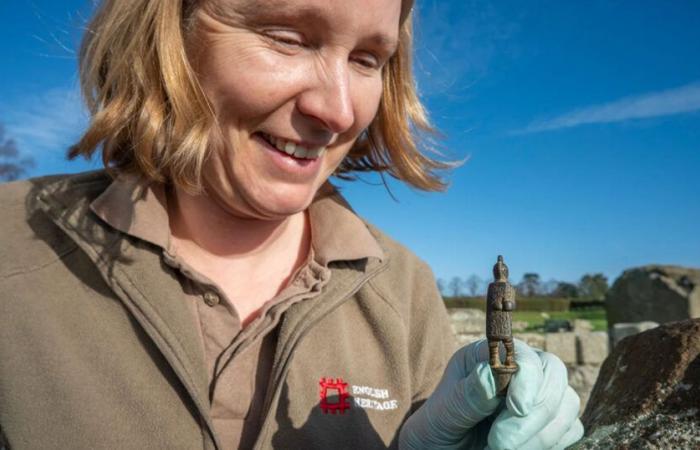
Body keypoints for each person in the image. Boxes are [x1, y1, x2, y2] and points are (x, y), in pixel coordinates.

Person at [0, 0, 583, 449]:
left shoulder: (404, 290)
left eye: (366, 60)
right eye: (288, 39)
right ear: (170, 34)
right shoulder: (13, 248)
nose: (337, 111)